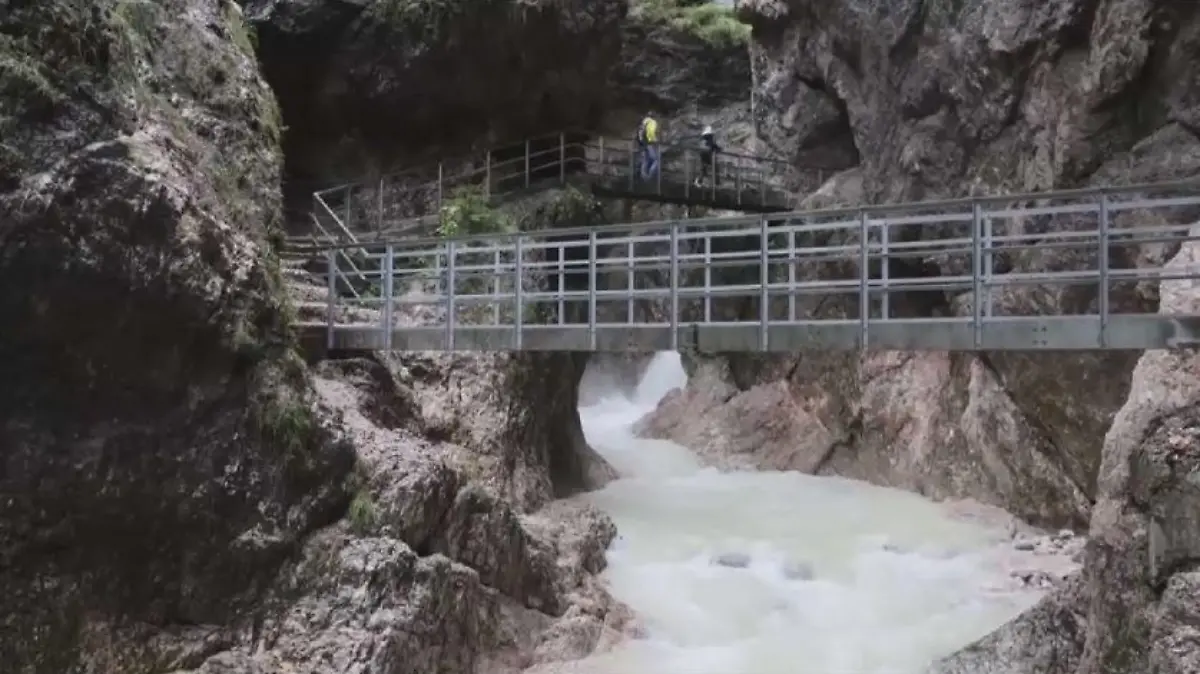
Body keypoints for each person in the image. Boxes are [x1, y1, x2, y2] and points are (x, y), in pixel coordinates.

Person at [637, 112, 660, 180]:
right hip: (649, 143)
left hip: (642, 143)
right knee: (656, 160)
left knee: (645, 160)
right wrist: (655, 140)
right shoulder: (652, 122)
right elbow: (651, 132)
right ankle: (650, 176)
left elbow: (639, 133)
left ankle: (643, 176)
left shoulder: (644, 122)